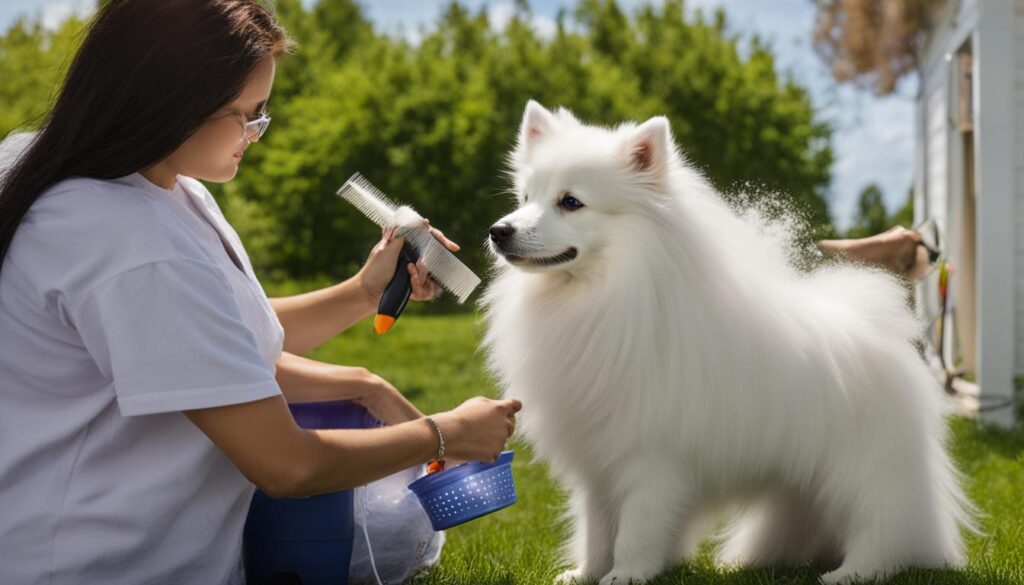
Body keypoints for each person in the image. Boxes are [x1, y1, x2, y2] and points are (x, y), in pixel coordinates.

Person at [0, 2, 519, 584]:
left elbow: (212, 339)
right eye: (244, 114)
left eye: (262, 112)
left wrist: (363, 292)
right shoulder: (131, 242)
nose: (255, 132)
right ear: (168, 104)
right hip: (95, 567)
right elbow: (287, 465)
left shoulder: (132, 180)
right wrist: (447, 432)